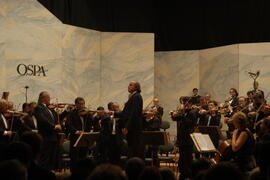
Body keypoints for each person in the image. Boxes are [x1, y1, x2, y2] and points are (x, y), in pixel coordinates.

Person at [114, 81, 144, 158]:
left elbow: (133, 114)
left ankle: (134, 167)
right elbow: (125, 113)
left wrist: (127, 127)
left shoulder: (136, 96)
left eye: (131, 85)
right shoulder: (134, 97)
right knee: (131, 148)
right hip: (132, 128)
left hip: (133, 128)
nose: (128, 86)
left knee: (134, 150)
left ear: (136, 87)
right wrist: (113, 113)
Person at [34, 91, 62, 170]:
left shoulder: (48, 108)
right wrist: (54, 126)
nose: (50, 99)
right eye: (48, 97)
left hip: (53, 136)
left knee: (51, 159)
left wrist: (59, 115)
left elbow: (55, 120)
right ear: (43, 98)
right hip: (46, 136)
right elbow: (42, 120)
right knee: (45, 158)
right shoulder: (39, 107)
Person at [171, 99, 198, 180]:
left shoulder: (192, 113)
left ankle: (188, 175)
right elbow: (175, 118)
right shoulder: (184, 113)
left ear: (190, 104)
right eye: (183, 104)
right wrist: (173, 114)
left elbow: (189, 123)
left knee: (187, 159)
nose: (184, 105)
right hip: (182, 140)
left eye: (185, 104)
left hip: (187, 141)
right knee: (182, 160)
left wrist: (182, 115)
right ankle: (182, 174)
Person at [66, 97, 92, 172]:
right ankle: (74, 173)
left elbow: (90, 124)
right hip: (75, 138)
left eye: (83, 104)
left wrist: (89, 114)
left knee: (83, 157)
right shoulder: (71, 113)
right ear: (76, 104)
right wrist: (76, 131)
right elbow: (68, 125)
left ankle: (83, 172)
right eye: (80, 104)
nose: (82, 106)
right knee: (74, 157)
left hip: (84, 138)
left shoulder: (86, 114)